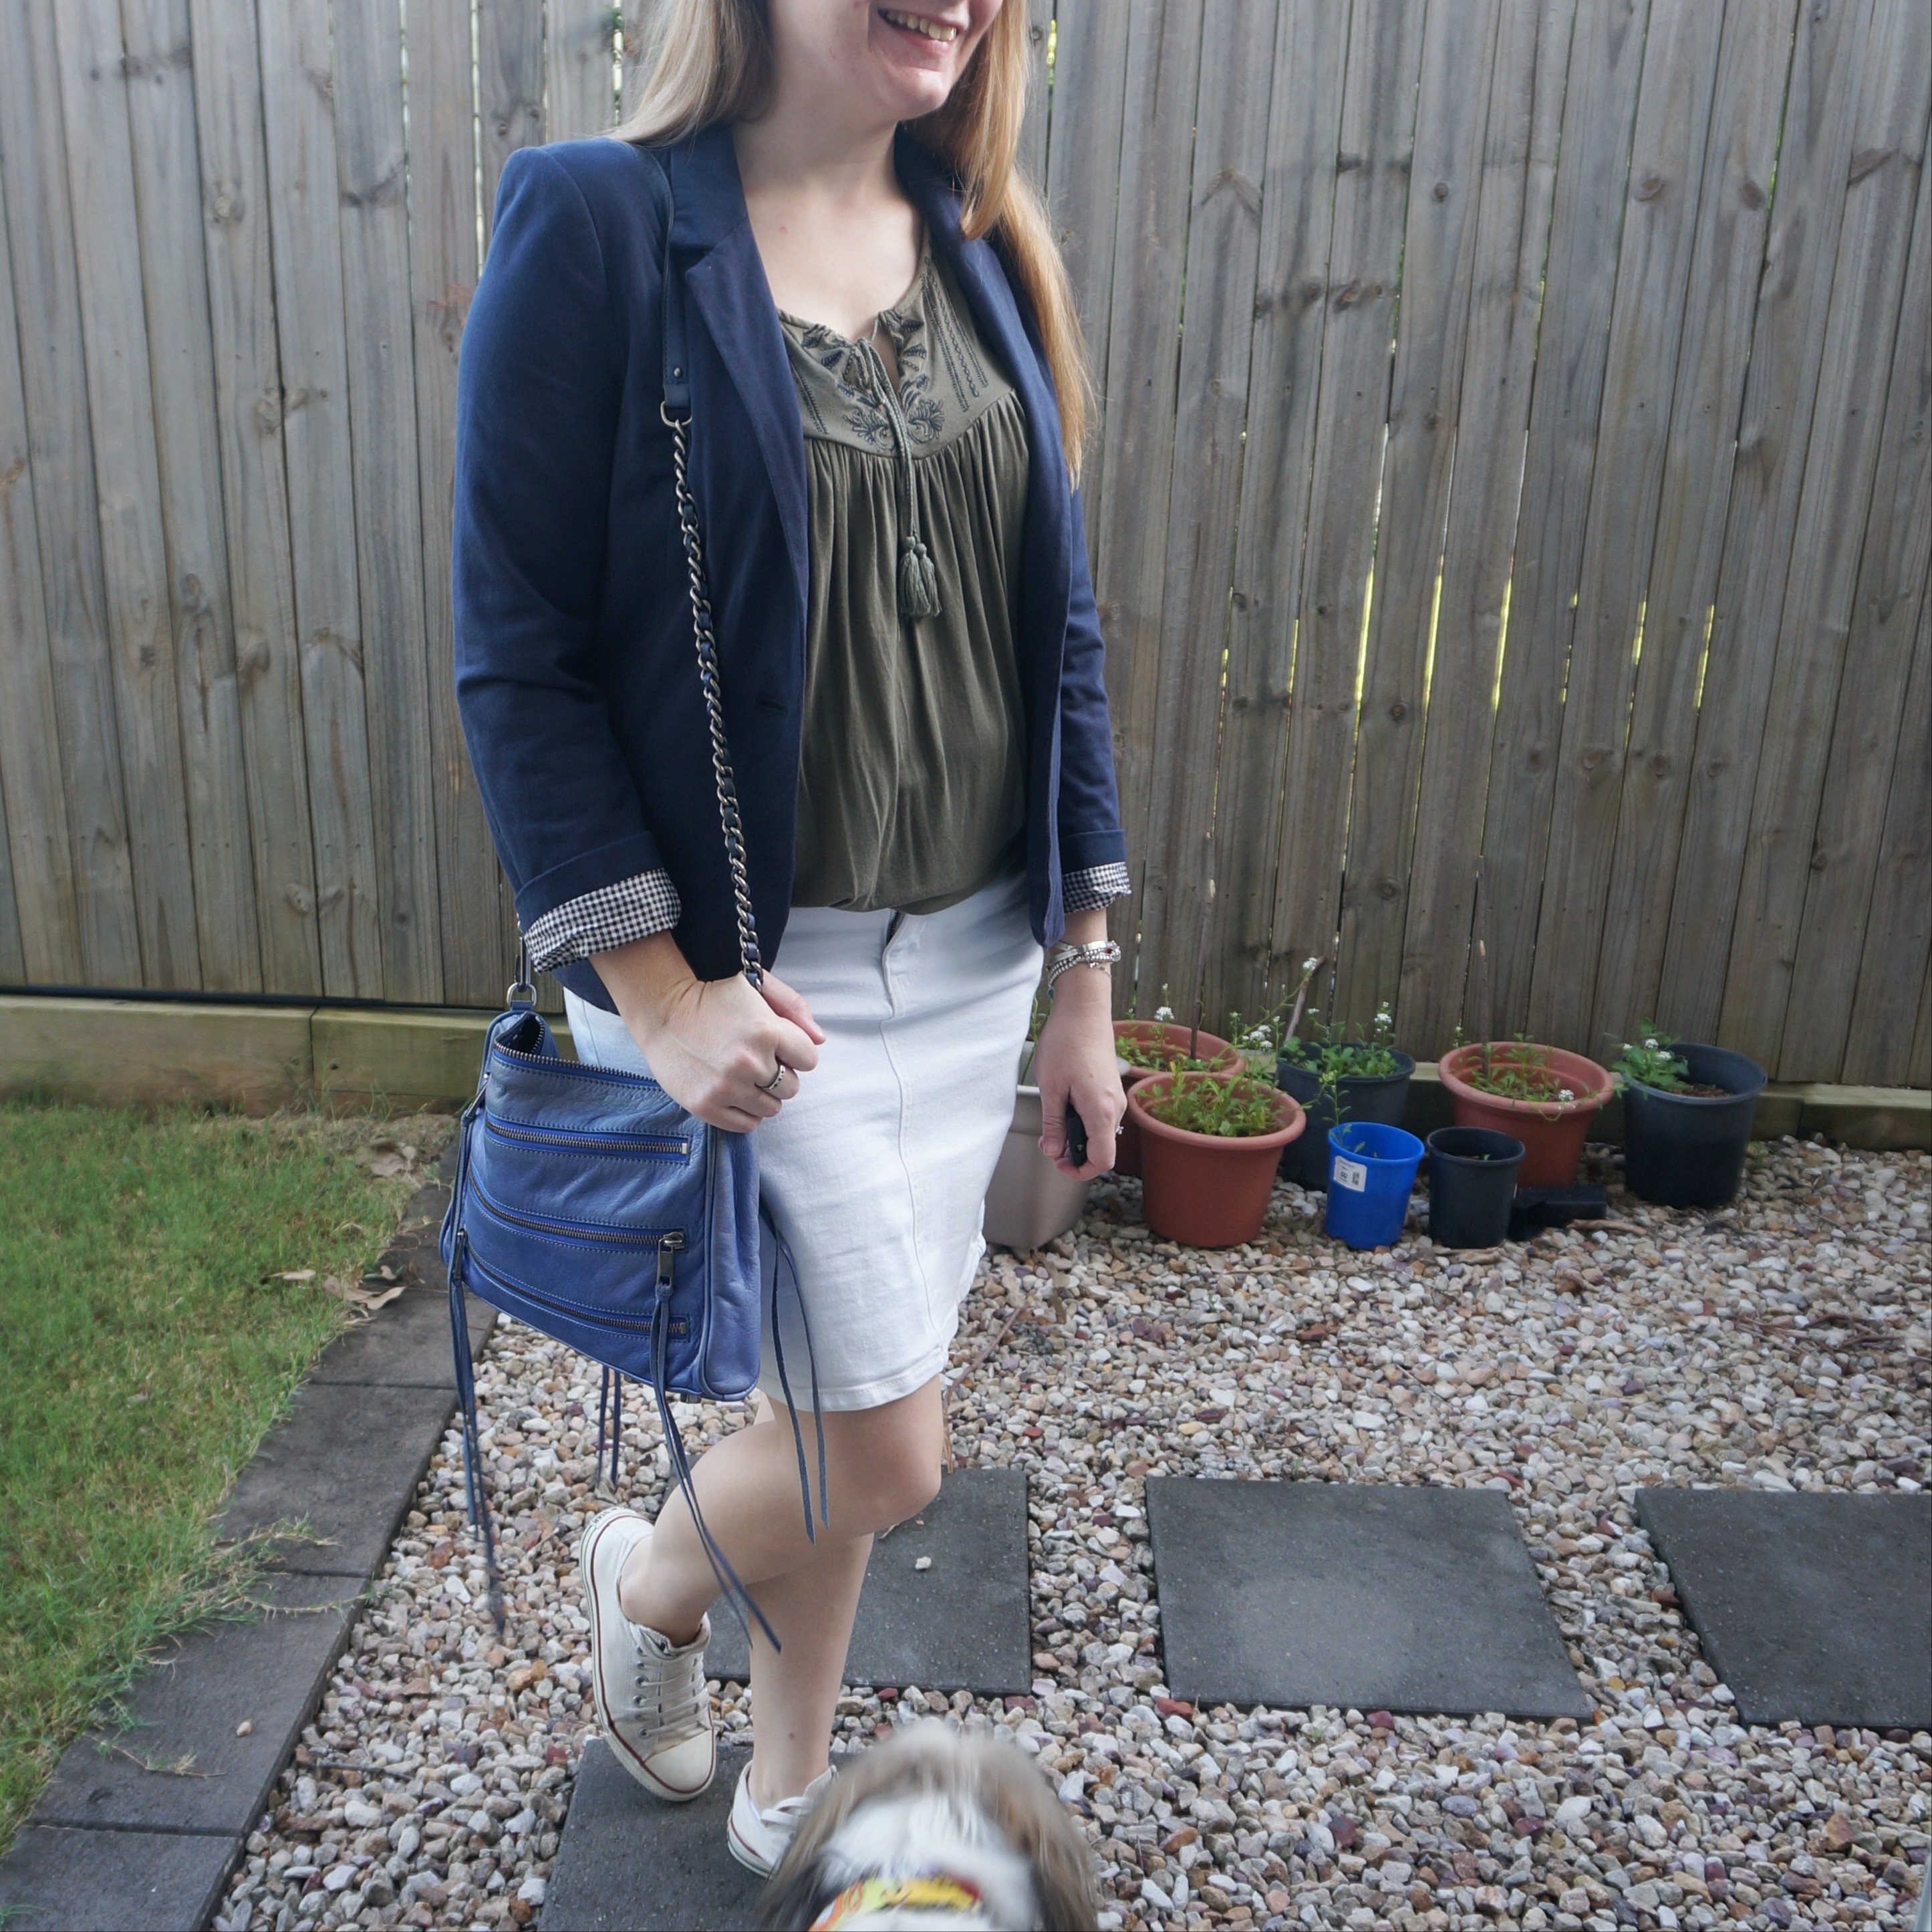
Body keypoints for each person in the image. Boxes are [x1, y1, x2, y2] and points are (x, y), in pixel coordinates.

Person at [452, 0, 1129, 1877]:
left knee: (843, 1386)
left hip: (979, 959)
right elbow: (519, 652)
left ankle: (782, 1785)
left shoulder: (984, 248)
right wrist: (659, 997)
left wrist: (1081, 973)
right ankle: (647, 1570)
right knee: (885, 1444)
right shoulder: (602, 226)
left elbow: (1055, 637)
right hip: (772, 981)